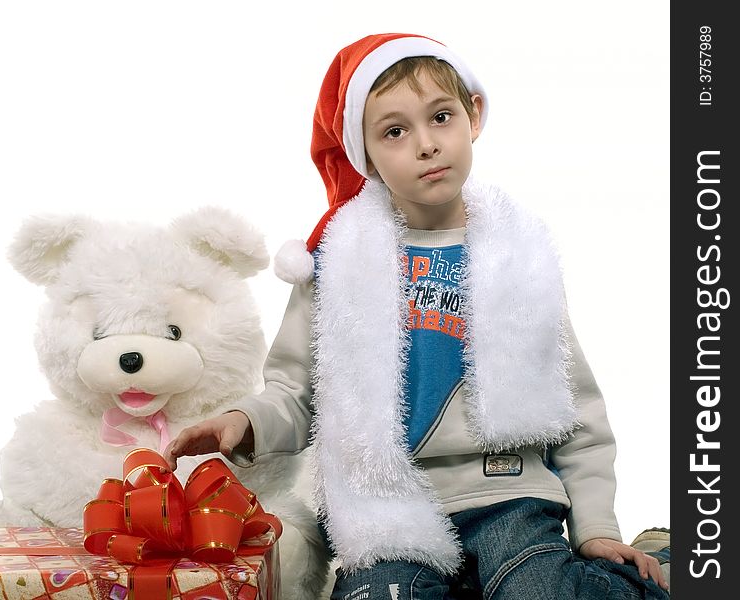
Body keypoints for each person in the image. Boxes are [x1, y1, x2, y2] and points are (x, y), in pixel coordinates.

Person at [164, 33, 670, 599]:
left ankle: (651, 567)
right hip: (388, 511)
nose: (426, 145)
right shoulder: (338, 264)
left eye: (441, 117)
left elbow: (575, 409)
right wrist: (246, 421)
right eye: (395, 132)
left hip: (510, 496)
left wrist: (597, 527)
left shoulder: (516, 255)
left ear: (473, 116)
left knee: (541, 588)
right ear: (366, 155)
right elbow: (296, 391)